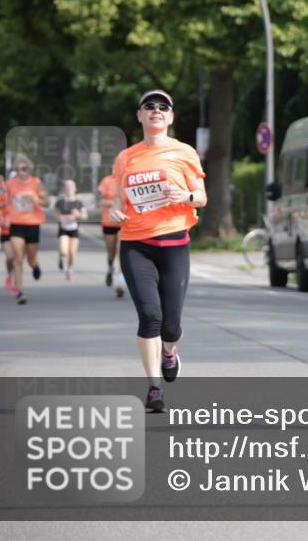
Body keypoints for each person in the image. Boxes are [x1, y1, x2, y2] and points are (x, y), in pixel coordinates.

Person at [109, 89, 206, 412]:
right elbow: (116, 200)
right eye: (149, 106)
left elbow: (201, 197)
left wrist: (184, 195)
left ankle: (170, 352)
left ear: (171, 117)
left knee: (171, 326)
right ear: (139, 116)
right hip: (136, 245)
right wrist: (114, 212)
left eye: (163, 107)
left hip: (174, 244)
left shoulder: (185, 152)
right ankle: (153, 389)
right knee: (150, 316)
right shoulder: (126, 157)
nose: (156, 110)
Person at [5, 158, 49, 305]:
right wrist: (1, 214)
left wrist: (36, 199)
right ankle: (19, 291)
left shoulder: (36, 183)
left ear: (30, 170)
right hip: (16, 223)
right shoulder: (11, 184)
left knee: (30, 259)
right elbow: (4, 202)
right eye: (18, 169)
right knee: (18, 258)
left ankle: (34, 265)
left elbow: (47, 202)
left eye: (24, 169)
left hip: (33, 223)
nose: (21, 172)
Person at [98, 171, 126, 297]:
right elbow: (99, 202)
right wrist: (110, 203)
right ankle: (110, 268)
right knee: (111, 253)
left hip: (125, 223)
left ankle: (120, 283)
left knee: (121, 252)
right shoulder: (106, 181)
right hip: (109, 222)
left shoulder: (129, 179)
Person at [53, 179, 88, 280]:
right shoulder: (60, 202)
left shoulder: (78, 203)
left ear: (75, 188)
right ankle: (61, 257)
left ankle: (69, 268)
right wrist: (59, 216)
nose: (69, 189)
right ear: (64, 189)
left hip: (74, 229)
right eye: (67, 187)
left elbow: (85, 216)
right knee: (64, 251)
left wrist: (78, 214)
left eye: (71, 187)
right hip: (63, 229)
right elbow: (55, 211)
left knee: (72, 253)